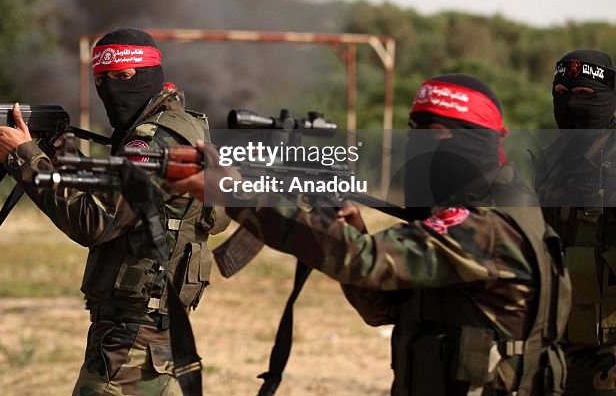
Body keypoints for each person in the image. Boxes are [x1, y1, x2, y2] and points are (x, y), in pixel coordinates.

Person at [173, 74, 570, 395]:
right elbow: (382, 308)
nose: (417, 142)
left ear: (474, 139)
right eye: (413, 128)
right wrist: (348, 231)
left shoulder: (487, 224)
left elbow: (365, 260)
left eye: (433, 131)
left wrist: (238, 194)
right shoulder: (475, 210)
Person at [0, 27, 227, 396]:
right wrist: (57, 157)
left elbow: (96, 222)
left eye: (123, 76)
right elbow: (122, 199)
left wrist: (24, 158)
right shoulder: (184, 126)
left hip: (131, 339)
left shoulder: (153, 140)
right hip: (153, 334)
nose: (111, 88)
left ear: (149, 74)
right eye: (102, 79)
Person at [534, 49, 616, 395]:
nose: (570, 105)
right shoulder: (553, 159)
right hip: (559, 339)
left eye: (584, 95)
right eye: (561, 94)